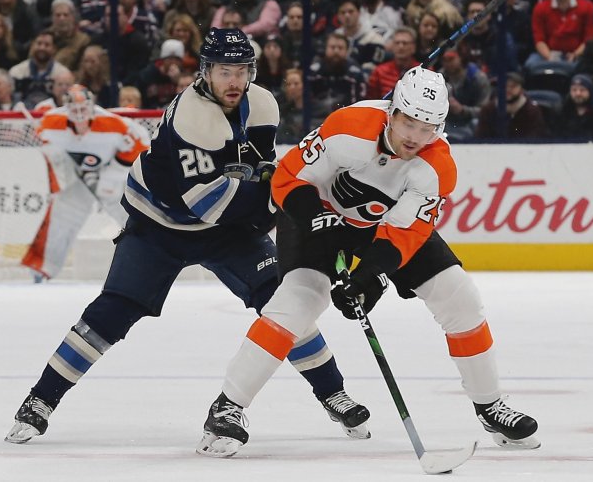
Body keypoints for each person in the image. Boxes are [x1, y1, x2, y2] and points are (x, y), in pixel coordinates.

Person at [5, 29, 372, 447]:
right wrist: (285, 204)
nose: (234, 82)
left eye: (242, 71)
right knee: (112, 312)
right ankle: (39, 401)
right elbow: (211, 204)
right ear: (205, 72)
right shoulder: (192, 117)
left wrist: (282, 189)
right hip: (159, 225)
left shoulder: (263, 104)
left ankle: (334, 394)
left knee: (283, 302)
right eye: (224, 71)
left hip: (224, 228)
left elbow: (260, 168)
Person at [197, 66, 540, 458]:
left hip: (380, 226)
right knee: (297, 302)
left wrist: (369, 277)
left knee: (459, 297)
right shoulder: (349, 126)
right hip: (317, 213)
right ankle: (227, 407)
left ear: (440, 128)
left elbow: (404, 233)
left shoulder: (437, 167)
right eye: (408, 121)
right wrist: (317, 222)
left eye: (426, 127)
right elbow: (288, 179)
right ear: (392, 111)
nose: (414, 136)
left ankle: (490, 404)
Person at [17, 84, 149, 282]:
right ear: (66, 108)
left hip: (114, 176)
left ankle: (153, 261)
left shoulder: (113, 124)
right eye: (74, 109)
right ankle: (42, 268)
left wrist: (110, 176)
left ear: (92, 106)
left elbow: (141, 142)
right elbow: (48, 147)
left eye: (83, 108)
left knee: (133, 218)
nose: (79, 114)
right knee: (63, 214)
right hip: (80, 178)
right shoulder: (52, 123)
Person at [474, 72, 548, 139]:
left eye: (513, 86)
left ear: (521, 89)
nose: (507, 89)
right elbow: (481, 137)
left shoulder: (532, 111)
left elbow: (537, 137)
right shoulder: (488, 110)